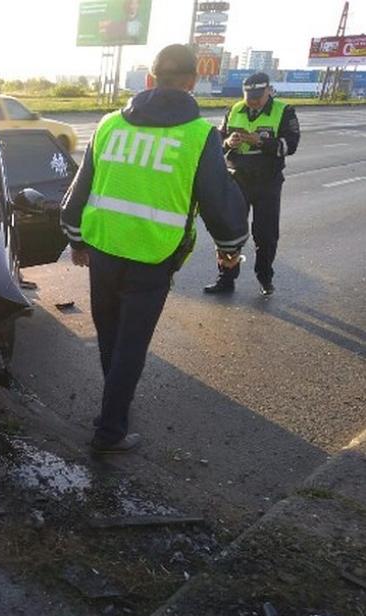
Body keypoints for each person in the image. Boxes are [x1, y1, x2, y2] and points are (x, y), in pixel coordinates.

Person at [60, 44, 248, 454]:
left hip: (104, 250)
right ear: (192, 82)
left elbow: (79, 190)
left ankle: (115, 404)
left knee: (111, 337)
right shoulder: (199, 135)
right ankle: (111, 429)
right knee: (131, 344)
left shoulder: (109, 124)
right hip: (154, 256)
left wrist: (75, 239)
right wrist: (230, 248)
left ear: (150, 79)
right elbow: (218, 200)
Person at [203, 72, 301, 296]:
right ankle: (226, 278)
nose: (253, 100)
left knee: (265, 235)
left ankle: (265, 277)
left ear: (269, 91)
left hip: (268, 183)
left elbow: (291, 145)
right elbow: (220, 140)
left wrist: (261, 142)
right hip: (237, 179)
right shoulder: (235, 109)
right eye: (249, 95)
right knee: (229, 233)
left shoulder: (284, 112)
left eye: (258, 95)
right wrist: (229, 142)